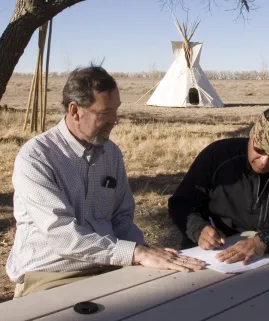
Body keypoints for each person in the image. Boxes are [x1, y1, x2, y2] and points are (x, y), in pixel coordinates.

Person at [7, 66, 205, 298]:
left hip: (109, 266)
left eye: (116, 110)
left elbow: (121, 218)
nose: (115, 120)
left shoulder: (110, 154)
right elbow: (63, 235)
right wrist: (135, 253)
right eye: (104, 113)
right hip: (51, 274)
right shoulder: (37, 158)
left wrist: (147, 253)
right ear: (75, 111)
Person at [168, 108, 269, 265]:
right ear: (251, 134)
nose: (264, 161)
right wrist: (198, 229)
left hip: (268, 258)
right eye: (259, 149)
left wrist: (263, 242)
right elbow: (180, 202)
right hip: (210, 256)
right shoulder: (218, 155)